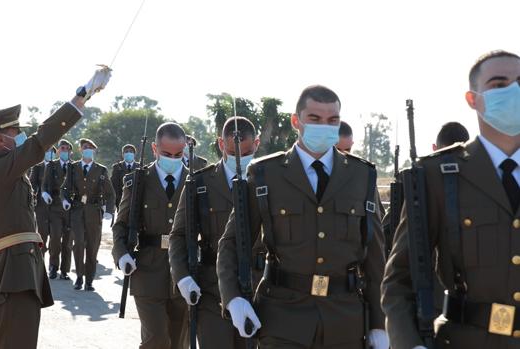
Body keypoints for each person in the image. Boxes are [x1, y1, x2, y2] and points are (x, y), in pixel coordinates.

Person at [217, 85, 389, 349]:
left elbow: (376, 257)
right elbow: (231, 243)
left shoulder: (361, 175)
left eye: (333, 120)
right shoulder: (265, 174)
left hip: (345, 321)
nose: (325, 126)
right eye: (315, 119)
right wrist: (234, 298)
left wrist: (379, 322)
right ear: (296, 121)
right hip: (283, 318)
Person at [382, 50, 520, 349]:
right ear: (473, 99)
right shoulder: (438, 175)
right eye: (499, 85)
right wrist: (410, 344)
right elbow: (399, 280)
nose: (515, 92)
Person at [0, 66, 111, 348]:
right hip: (13, 284)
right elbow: (41, 140)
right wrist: (81, 96)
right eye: (15, 132)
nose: (20, 137)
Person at [169, 116, 260, 348]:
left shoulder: (269, 181)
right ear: (221, 144)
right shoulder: (200, 183)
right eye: (232, 151)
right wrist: (182, 276)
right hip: (211, 288)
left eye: (247, 151)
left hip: (259, 285)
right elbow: (179, 234)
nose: (240, 158)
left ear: (257, 144)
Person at [112, 122, 190, 349]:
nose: (172, 158)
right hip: (147, 270)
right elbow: (121, 225)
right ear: (155, 149)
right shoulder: (139, 181)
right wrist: (122, 254)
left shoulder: (196, 182)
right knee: (155, 339)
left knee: (178, 342)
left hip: (183, 272)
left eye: (178, 154)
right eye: (166, 153)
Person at [61, 138, 115, 291]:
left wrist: (109, 211)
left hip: (94, 212)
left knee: (92, 247)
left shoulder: (101, 170)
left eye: (91, 148)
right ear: (80, 149)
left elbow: (110, 194)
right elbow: (64, 189)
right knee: (78, 245)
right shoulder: (73, 168)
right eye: (85, 147)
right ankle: (79, 276)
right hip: (77, 211)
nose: (88, 150)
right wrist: (65, 200)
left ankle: (89, 280)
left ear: (94, 151)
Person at [42, 139, 73, 280]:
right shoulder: (51, 166)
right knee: (55, 238)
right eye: (62, 148)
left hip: (71, 208)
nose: (64, 150)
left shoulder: (75, 167)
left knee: (67, 241)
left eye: (67, 148)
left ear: (70, 152)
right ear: (58, 151)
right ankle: (53, 266)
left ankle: (65, 270)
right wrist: (45, 193)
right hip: (55, 206)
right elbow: (45, 184)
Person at [30, 145, 56, 254]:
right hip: (41, 205)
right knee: (42, 234)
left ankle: (53, 265)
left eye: (52, 151)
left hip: (56, 205)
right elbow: (32, 184)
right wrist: (35, 196)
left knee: (55, 236)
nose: (49, 153)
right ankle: (41, 260)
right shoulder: (37, 167)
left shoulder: (58, 166)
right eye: (47, 150)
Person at [111, 144, 139, 211]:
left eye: (131, 151)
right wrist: (116, 201)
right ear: (123, 154)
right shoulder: (117, 167)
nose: (128, 153)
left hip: (136, 201)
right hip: (121, 201)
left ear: (134, 154)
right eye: (126, 152)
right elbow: (114, 186)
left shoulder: (140, 167)